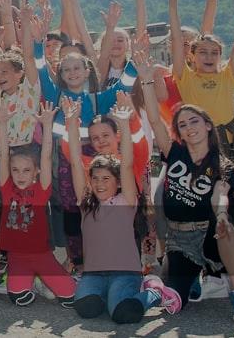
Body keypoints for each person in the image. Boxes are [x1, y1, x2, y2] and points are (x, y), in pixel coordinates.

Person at [65, 100, 181, 323]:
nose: (99, 184)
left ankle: (154, 291)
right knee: (87, 308)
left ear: (118, 182)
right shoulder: (86, 204)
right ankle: (107, 293)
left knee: (123, 313)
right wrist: (71, 123)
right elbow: (75, 164)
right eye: (95, 179)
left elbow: (126, 164)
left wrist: (124, 125)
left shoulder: (126, 201)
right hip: (94, 274)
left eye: (106, 179)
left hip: (125, 272)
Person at [149, 99, 234, 323]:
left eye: (194, 121)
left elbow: (220, 194)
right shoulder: (174, 152)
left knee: (225, 227)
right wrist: (146, 81)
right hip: (180, 240)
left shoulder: (221, 165)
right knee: (174, 299)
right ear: (179, 132)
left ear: (208, 125)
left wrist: (221, 214)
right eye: (182, 125)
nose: (189, 127)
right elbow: (154, 120)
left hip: (209, 234)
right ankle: (192, 279)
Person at [169, 0, 234, 195]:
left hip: (229, 138)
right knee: (204, 191)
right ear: (192, 55)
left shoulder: (228, 75)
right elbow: (177, 40)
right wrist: (173, 2)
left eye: (214, 53)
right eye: (203, 52)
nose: (209, 57)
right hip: (201, 140)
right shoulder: (185, 77)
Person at [0, 100, 75, 307]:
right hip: (16, 256)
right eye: (15, 170)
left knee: (70, 296)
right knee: (18, 297)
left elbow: (46, 157)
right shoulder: (6, 189)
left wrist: (47, 126)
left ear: (36, 171)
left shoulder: (41, 191)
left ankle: (50, 280)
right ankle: (29, 282)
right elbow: (3, 155)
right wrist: (2, 124)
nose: (20, 175)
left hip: (41, 255)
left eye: (26, 170)